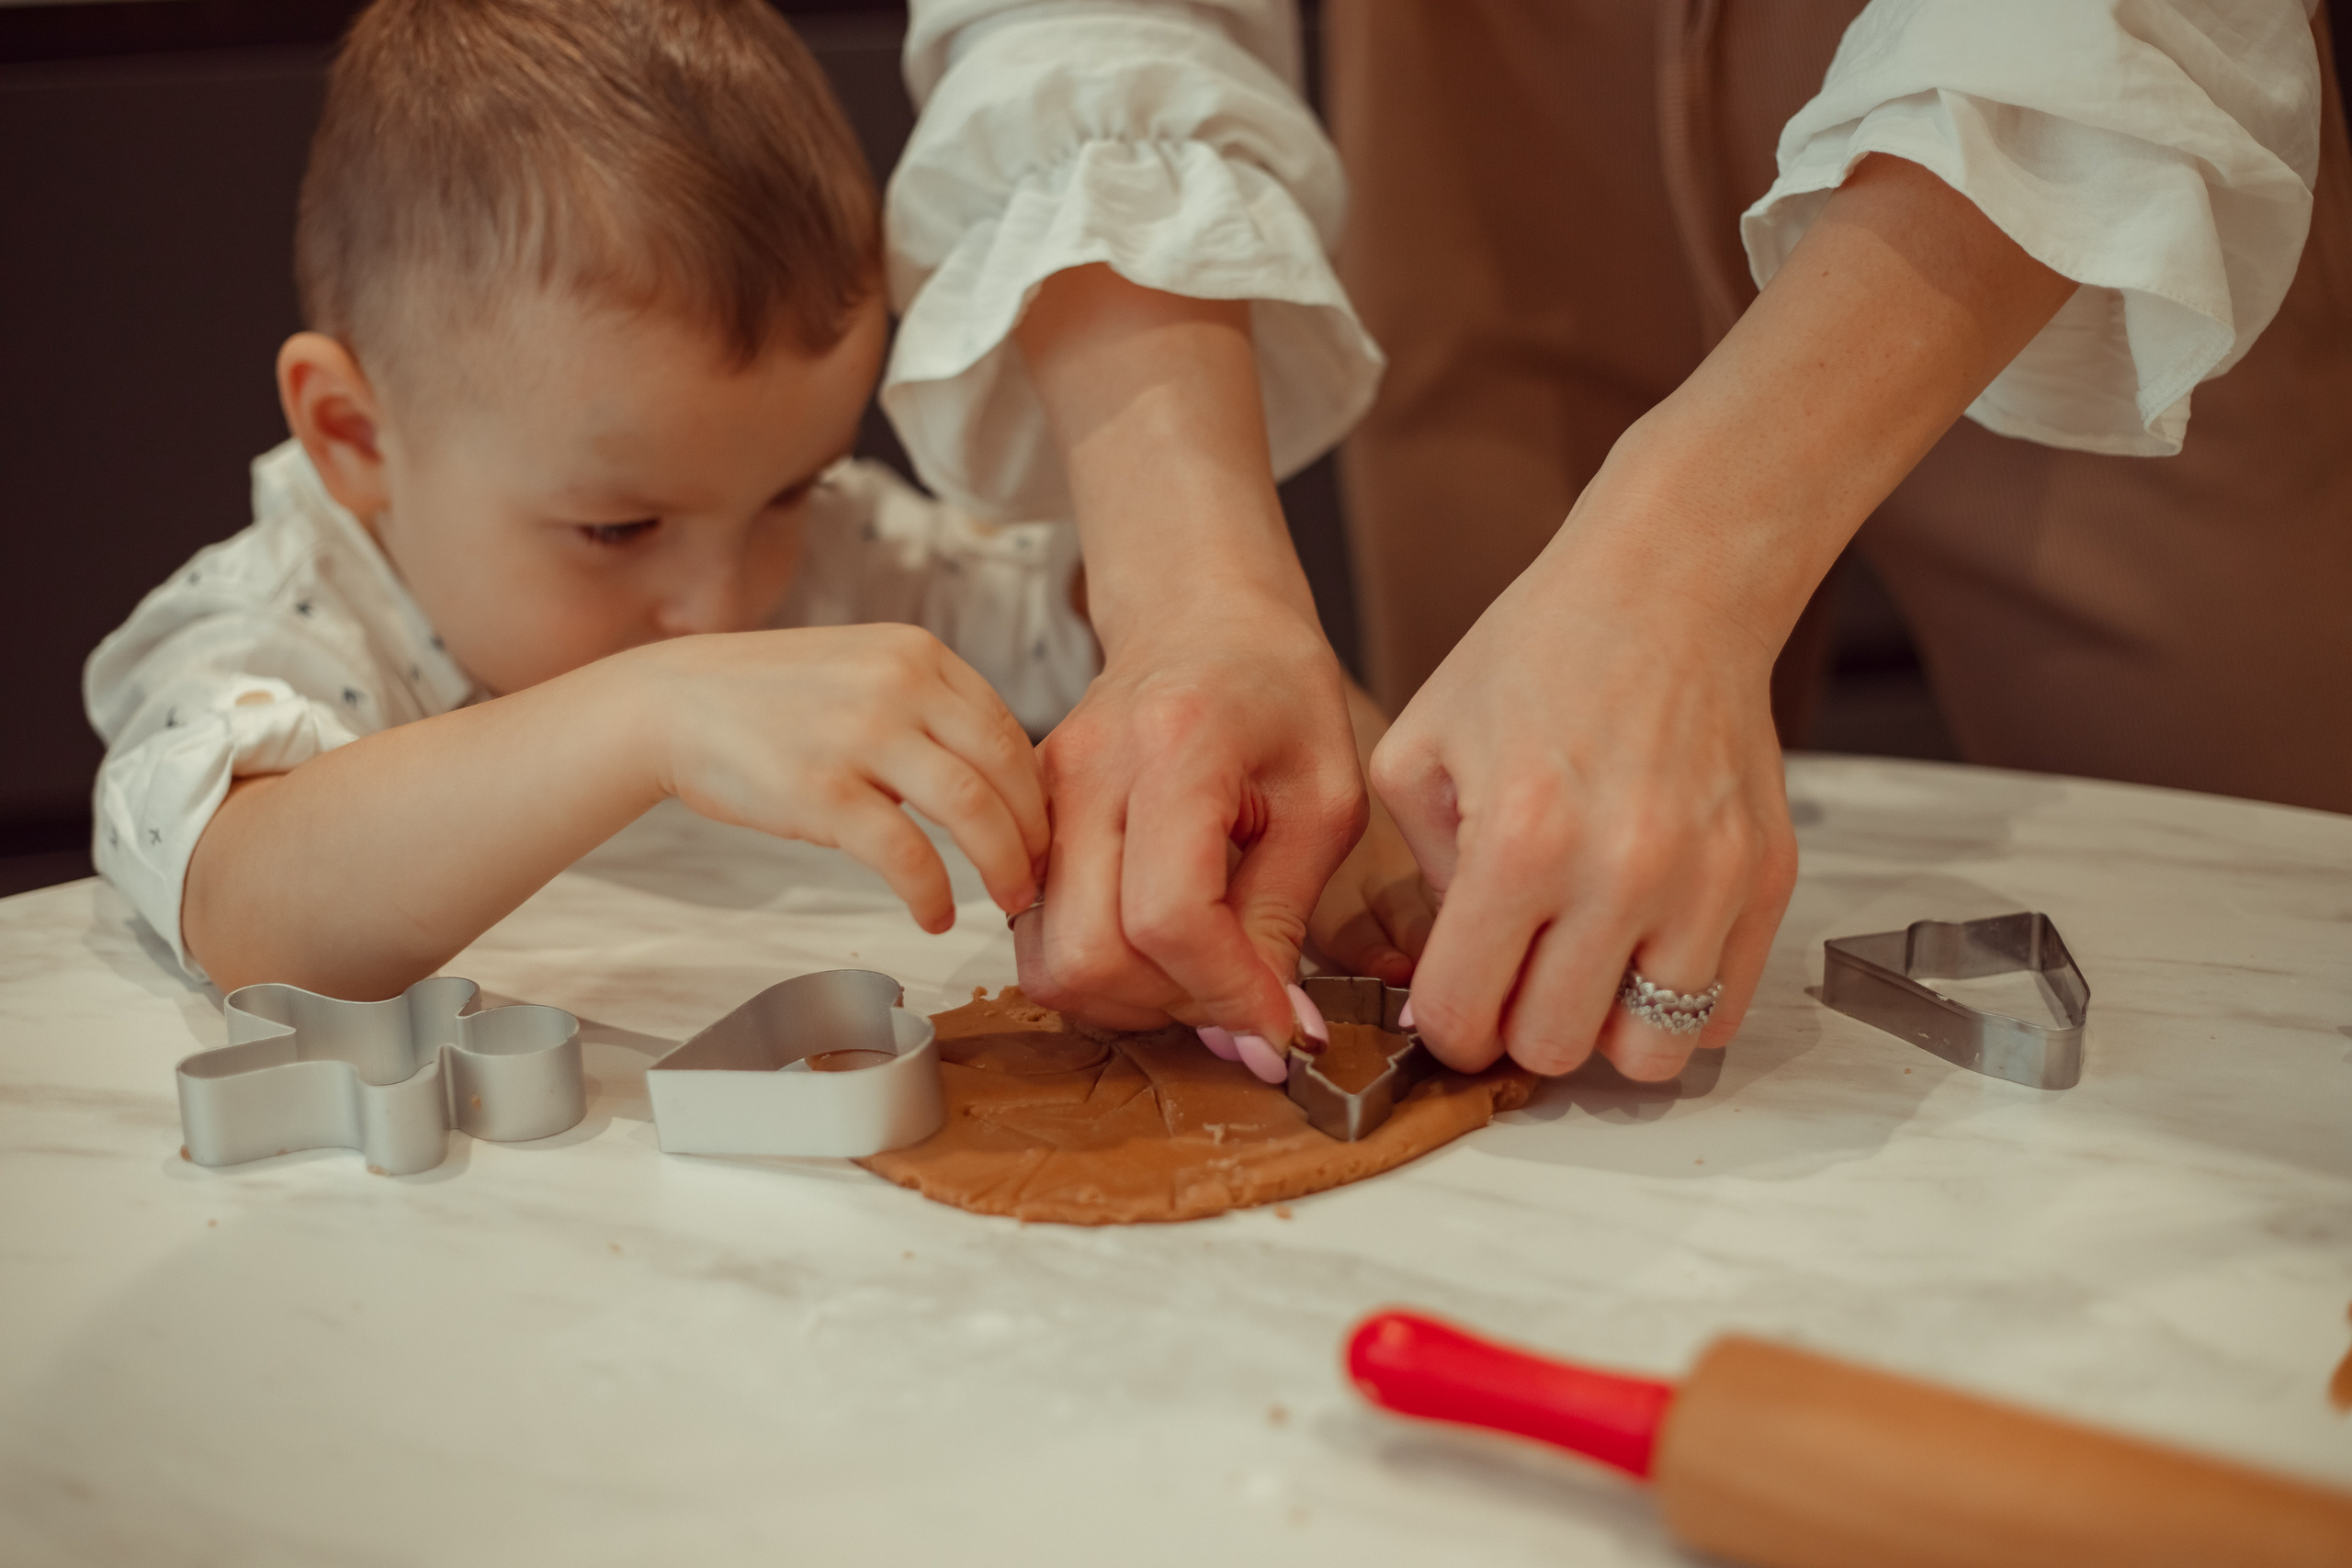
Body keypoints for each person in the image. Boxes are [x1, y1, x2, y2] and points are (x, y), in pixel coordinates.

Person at [886, 0, 2347, 1083]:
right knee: (1503, 931)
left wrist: (1685, 558)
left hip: (2087, 134)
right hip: (1478, 95)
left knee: (2253, 990)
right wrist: (1192, 597)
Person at [81, 0, 1408, 1018]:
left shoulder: (827, 559)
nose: (728, 600)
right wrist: (650, 714)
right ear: (356, 436)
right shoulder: (287, 615)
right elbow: (243, 902)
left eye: (793, 489)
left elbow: (1102, 632)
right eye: (619, 529)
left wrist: (1308, 753)